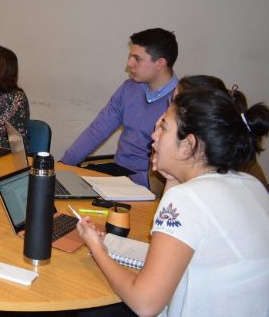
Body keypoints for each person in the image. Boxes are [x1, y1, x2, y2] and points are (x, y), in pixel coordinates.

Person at [77, 87, 269, 316]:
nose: (154, 135)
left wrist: (97, 249)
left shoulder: (186, 199)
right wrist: (173, 179)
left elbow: (144, 303)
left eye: (164, 127)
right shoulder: (249, 183)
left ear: (189, 144)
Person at [60, 28, 179, 188]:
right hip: (119, 172)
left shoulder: (180, 101)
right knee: (69, 186)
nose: (130, 63)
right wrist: (63, 165)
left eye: (137, 58)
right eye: (131, 56)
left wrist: (127, 183)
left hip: (150, 182)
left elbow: (174, 167)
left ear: (160, 63)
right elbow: (97, 130)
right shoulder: (129, 88)